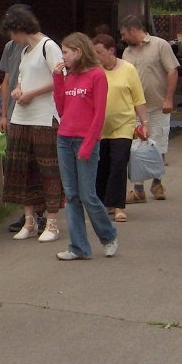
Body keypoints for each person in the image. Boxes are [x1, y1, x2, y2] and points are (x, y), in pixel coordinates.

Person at [52, 33, 120, 260]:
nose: (63, 56)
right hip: (64, 138)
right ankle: (79, 247)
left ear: (78, 52)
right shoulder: (70, 76)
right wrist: (57, 79)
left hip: (85, 140)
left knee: (88, 194)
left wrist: (89, 145)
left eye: (65, 52)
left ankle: (108, 235)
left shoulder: (97, 75)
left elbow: (99, 114)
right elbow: (62, 109)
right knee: (71, 195)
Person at [0, 6, 64, 244]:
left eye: (12, 32)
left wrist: (33, 93)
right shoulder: (25, 51)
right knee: (22, 168)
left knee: (48, 170)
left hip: (44, 117)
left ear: (21, 28)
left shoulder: (49, 47)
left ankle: (52, 222)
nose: (11, 38)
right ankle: (29, 220)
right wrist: (18, 90)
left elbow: (60, 79)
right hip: (21, 117)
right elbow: (21, 79)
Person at [119, 15, 179, 202]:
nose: (122, 38)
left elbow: (172, 70)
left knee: (158, 145)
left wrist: (168, 99)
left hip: (158, 105)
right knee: (136, 148)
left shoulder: (160, 45)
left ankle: (157, 183)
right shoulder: (127, 53)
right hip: (135, 108)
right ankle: (138, 189)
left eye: (123, 34)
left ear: (133, 30)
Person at [91, 33, 148, 224]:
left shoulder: (128, 70)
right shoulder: (94, 71)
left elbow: (138, 99)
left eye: (100, 52)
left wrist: (144, 123)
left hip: (123, 125)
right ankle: (102, 203)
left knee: (118, 162)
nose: (97, 57)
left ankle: (118, 207)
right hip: (98, 127)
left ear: (111, 51)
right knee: (101, 164)